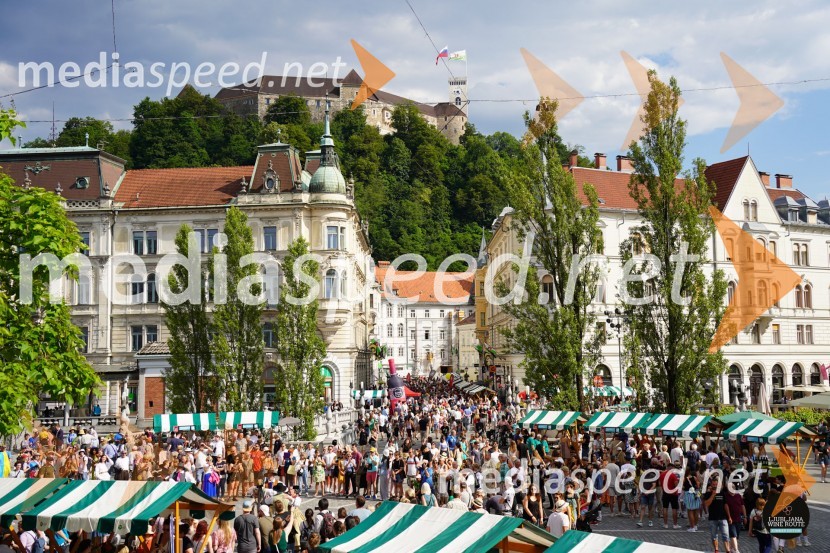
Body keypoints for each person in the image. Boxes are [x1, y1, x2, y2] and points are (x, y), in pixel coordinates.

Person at [703, 480, 732, 553]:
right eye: (713, 484)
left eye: (716, 484)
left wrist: (729, 516)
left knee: (726, 535)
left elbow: (725, 505)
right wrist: (713, 495)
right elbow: (706, 504)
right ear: (711, 485)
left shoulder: (722, 493)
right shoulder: (708, 493)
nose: (715, 485)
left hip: (723, 517)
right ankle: (716, 550)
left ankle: (727, 550)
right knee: (714, 536)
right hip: (713, 518)